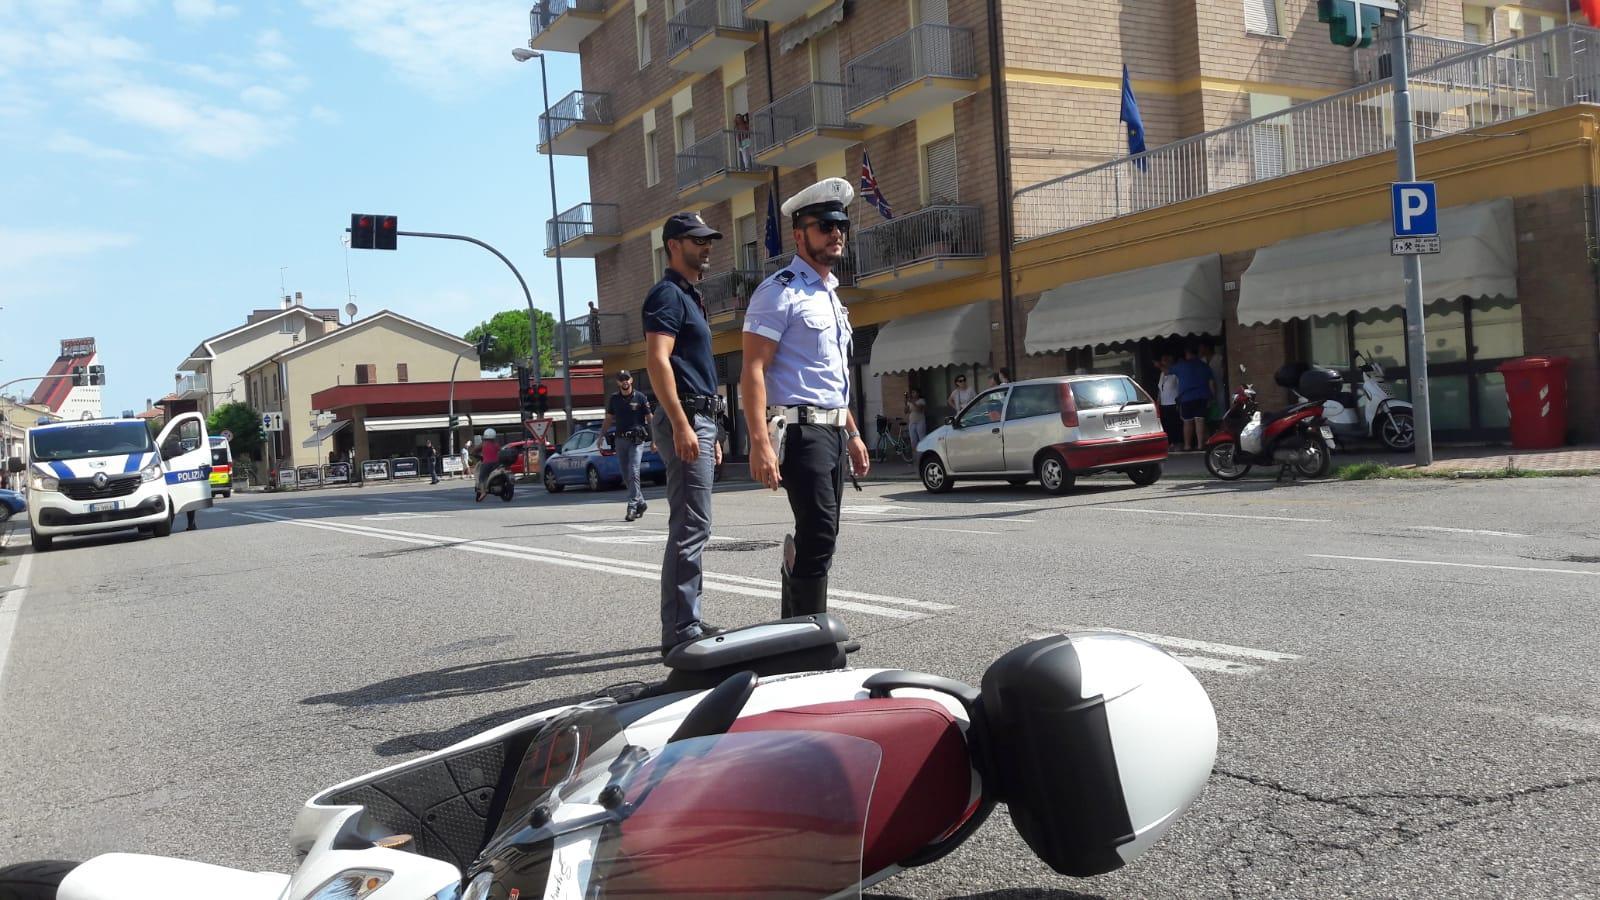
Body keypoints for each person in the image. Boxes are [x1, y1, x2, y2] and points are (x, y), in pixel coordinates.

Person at [741, 177, 870, 620]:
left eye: (842, 225)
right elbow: (753, 369)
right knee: (818, 533)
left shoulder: (831, 297)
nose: (836, 234)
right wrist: (758, 442)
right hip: (799, 430)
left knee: (824, 533)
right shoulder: (780, 291)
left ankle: (796, 626)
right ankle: (808, 641)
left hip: (833, 429)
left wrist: (852, 432)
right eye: (825, 225)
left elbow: (830, 378)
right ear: (800, 235)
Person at [644, 212, 726, 655]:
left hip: (700, 417)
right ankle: (680, 631)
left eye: (708, 239)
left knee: (696, 522)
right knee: (691, 525)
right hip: (687, 416)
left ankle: (686, 618)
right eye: (698, 240)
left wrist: (712, 429)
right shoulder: (668, 295)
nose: (707, 246)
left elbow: (696, 368)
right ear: (674, 245)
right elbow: (659, 361)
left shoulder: (690, 297)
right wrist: (679, 422)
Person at [604, 369, 653, 521]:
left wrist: (655, 439)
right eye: (621, 379)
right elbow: (608, 419)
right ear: (618, 382)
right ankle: (641, 502)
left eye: (627, 378)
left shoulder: (640, 397)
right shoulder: (614, 399)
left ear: (631, 380)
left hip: (636, 440)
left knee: (633, 471)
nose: (624, 381)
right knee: (626, 476)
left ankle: (632, 506)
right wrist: (600, 436)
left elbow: (650, 418)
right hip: (620, 440)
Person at [1172, 346, 1217, 450]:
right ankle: (1200, 445)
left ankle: (1187, 445)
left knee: (1187, 422)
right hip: (1202, 396)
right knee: (1200, 420)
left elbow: (1167, 371)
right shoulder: (1204, 366)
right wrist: (1213, 397)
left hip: (1186, 397)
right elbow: (1211, 383)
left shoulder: (1181, 365)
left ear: (1187, 353)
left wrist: (1160, 364)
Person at [1156, 354, 1182, 450]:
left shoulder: (1175, 374)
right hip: (1164, 403)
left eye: (1166, 361)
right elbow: (1160, 388)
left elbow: (1180, 387)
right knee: (1166, 424)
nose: (1164, 363)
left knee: (1175, 424)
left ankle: (1177, 443)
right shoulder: (1162, 374)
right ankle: (1170, 443)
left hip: (1173, 402)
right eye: (1163, 361)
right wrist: (1157, 401)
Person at [476, 428, 501, 495]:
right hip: (496, 464)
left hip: (486, 463)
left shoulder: (483, 444)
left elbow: (474, 451)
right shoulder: (496, 444)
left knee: (481, 478)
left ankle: (483, 492)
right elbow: (500, 451)